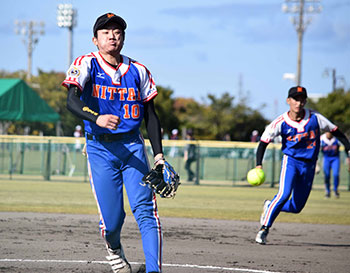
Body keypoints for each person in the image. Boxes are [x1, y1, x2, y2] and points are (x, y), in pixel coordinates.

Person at [62, 12, 169, 273]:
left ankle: (154, 270)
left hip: (133, 147)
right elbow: (72, 100)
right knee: (112, 221)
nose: (113, 35)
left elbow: (151, 116)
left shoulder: (139, 70)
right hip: (100, 148)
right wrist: (95, 118)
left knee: (146, 211)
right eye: (106, 32)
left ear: (123, 38)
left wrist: (158, 156)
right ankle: (113, 246)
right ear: (95, 39)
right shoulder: (87, 63)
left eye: (118, 32)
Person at [254, 86, 350, 245]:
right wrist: (258, 165)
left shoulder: (315, 118)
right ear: (288, 101)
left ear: (305, 101)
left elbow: (337, 131)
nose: (298, 103)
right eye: (295, 99)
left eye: (301, 99)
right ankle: (264, 229)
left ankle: (269, 205)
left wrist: (348, 150)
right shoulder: (281, 122)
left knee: (297, 207)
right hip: (291, 162)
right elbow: (263, 143)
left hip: (309, 165)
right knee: (284, 195)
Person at [320, 132, 350, 198]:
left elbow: (346, 148)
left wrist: (348, 159)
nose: (329, 134)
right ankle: (327, 191)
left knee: (336, 174)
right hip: (326, 158)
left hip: (335, 158)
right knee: (327, 175)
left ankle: (335, 190)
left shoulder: (337, 139)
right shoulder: (322, 138)